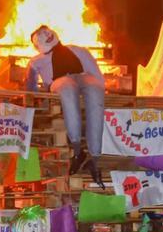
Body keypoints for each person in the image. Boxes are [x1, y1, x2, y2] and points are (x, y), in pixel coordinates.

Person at [23, 25, 105, 186]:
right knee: (67, 88)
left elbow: (96, 75)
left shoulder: (78, 50)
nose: (45, 35)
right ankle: (77, 149)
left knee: (95, 90)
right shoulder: (35, 62)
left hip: (83, 76)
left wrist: (101, 88)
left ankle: (95, 158)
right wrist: (37, 103)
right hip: (59, 80)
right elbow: (30, 88)